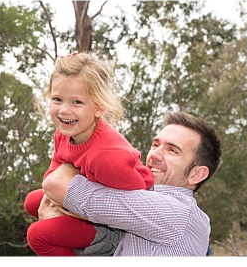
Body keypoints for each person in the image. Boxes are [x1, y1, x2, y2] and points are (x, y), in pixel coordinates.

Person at [23, 52, 154, 256]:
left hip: (115, 228)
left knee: (38, 235)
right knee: (32, 201)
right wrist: (56, 200)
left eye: (77, 102)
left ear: (98, 107)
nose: (64, 110)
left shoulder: (107, 157)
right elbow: (57, 163)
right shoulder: (65, 132)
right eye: (57, 99)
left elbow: (133, 209)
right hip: (85, 199)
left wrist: (74, 212)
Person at [41, 111, 222, 256]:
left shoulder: (180, 214)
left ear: (197, 175)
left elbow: (57, 184)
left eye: (172, 150)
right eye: (155, 145)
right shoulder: (143, 210)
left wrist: (68, 161)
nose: (155, 155)